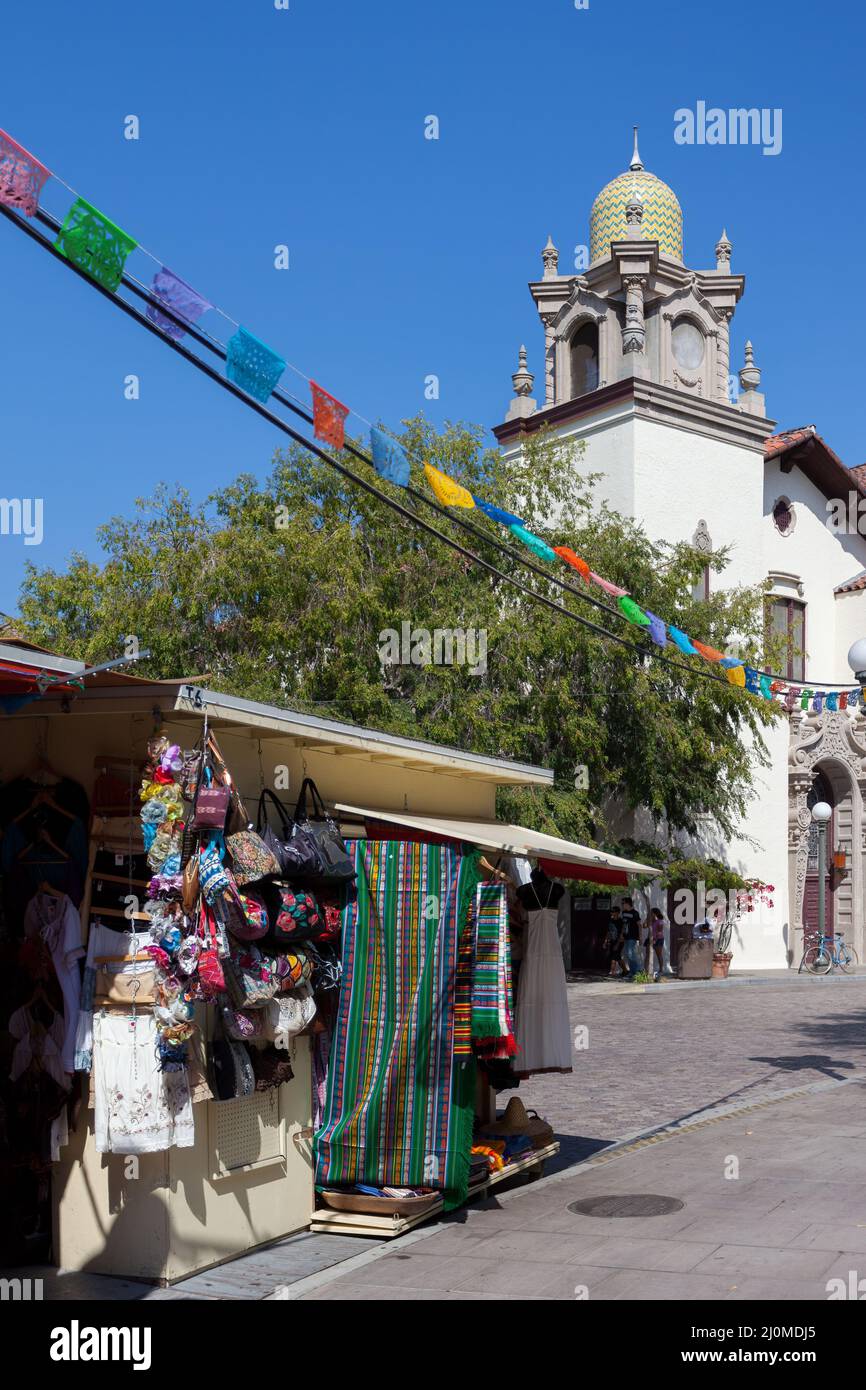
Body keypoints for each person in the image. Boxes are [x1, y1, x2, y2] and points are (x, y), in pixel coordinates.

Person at [620, 896, 643, 979]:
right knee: (627, 954)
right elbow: (624, 924)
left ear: (628, 903)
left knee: (631, 954)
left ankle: (637, 972)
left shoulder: (635, 913)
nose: (622, 905)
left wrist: (640, 937)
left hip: (633, 936)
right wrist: (621, 935)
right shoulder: (623, 913)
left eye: (623, 903)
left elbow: (639, 925)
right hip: (626, 936)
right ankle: (632, 973)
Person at [606, 905, 625, 977]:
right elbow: (608, 932)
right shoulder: (610, 921)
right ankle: (625, 971)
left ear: (617, 913)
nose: (612, 913)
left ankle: (612, 972)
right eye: (611, 912)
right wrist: (606, 941)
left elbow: (622, 933)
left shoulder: (621, 921)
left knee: (614, 957)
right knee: (617, 957)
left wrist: (617, 944)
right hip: (612, 941)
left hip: (619, 941)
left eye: (613, 912)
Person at [649, 907, 667, 980]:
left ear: (654, 914)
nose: (650, 914)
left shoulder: (660, 921)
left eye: (651, 913)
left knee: (658, 954)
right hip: (651, 939)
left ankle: (661, 969)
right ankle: (649, 969)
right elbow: (644, 926)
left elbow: (660, 932)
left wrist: (655, 939)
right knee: (649, 954)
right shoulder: (651, 921)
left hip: (658, 939)